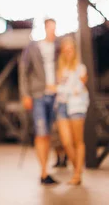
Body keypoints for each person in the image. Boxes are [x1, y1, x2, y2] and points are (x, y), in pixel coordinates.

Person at [18, 18, 60, 185]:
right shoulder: (33, 47)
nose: (52, 31)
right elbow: (24, 71)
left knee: (50, 133)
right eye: (50, 28)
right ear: (45, 28)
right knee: (41, 132)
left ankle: (48, 167)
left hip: (56, 94)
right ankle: (43, 172)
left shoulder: (58, 47)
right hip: (39, 94)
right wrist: (25, 94)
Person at [55, 36, 89, 185]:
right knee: (66, 141)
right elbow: (60, 89)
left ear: (74, 51)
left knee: (78, 141)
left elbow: (78, 89)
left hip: (76, 106)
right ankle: (78, 169)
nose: (68, 53)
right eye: (65, 50)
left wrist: (62, 88)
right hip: (62, 105)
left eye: (70, 50)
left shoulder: (80, 68)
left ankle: (77, 174)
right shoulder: (60, 70)